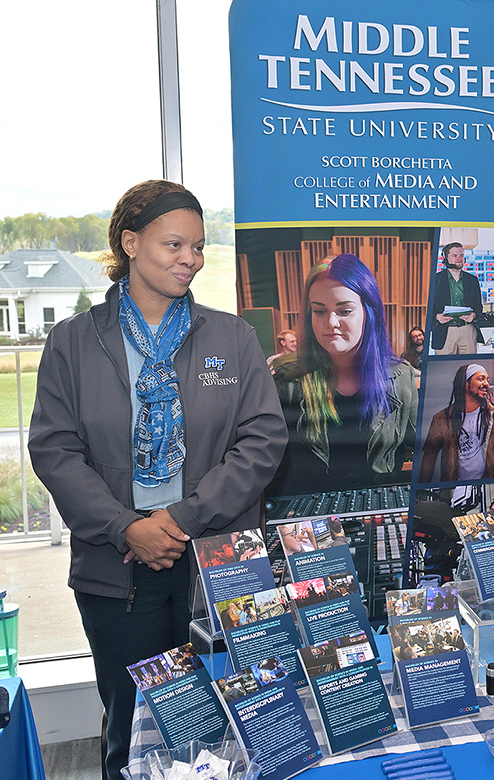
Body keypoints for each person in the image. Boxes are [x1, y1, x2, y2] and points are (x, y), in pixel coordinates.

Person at [28, 180, 287, 780]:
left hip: (219, 561)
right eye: (175, 244)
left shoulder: (232, 337)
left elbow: (262, 440)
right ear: (130, 242)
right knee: (133, 724)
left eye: (198, 247)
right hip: (116, 570)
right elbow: (56, 450)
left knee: (229, 721)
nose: (190, 259)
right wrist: (127, 528)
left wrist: (181, 518)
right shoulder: (73, 342)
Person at [269, 253, 417, 495]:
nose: (331, 322)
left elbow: (415, 450)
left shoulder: (401, 377)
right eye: (319, 311)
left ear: (368, 313)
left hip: (376, 508)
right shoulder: (285, 381)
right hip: (307, 516)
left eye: (344, 310)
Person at [420, 363, 494, 482]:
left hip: (489, 486)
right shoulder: (442, 419)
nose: (486, 384)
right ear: (466, 384)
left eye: (487, 380)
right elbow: (429, 455)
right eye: (480, 379)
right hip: (454, 488)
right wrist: (422, 490)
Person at [430, 241, 483, 354]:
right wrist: (437, 316)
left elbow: (478, 307)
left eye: (462, 255)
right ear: (445, 258)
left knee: (469, 367)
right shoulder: (435, 280)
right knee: (444, 367)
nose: (459, 258)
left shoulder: (472, 280)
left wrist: (474, 315)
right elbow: (427, 308)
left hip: (468, 330)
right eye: (455, 255)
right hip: (444, 331)